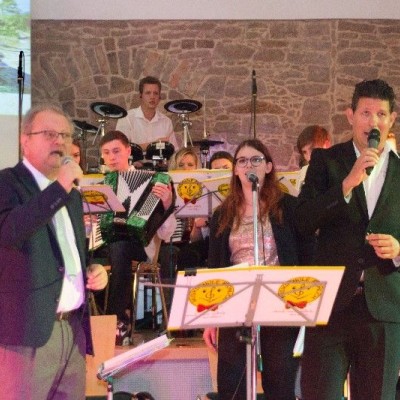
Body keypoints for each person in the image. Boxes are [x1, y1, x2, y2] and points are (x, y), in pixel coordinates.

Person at [296, 79, 400, 400]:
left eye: (381, 114)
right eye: (366, 113)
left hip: (383, 308)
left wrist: (399, 249)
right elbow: (303, 221)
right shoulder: (326, 162)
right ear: (350, 116)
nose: (373, 122)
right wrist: (346, 184)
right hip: (331, 305)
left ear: (392, 119)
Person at [0, 104, 108, 399]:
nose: (59, 141)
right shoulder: (7, 183)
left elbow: (68, 254)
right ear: (25, 140)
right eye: (49, 134)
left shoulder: (70, 196)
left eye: (65, 135)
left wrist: (92, 271)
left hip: (72, 330)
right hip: (27, 334)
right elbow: (9, 233)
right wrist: (59, 188)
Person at [203, 139, 314, 400]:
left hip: (280, 302)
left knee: (280, 381)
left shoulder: (289, 207)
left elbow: (307, 253)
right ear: (235, 170)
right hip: (236, 302)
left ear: (268, 167)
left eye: (256, 160)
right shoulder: (222, 214)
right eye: (242, 161)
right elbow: (215, 266)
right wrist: (210, 317)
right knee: (233, 382)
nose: (248, 166)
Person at [99, 130, 176, 344]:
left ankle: (116, 320)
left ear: (128, 151)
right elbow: (95, 227)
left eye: (116, 151)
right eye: (106, 152)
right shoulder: (102, 186)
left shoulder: (154, 182)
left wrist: (167, 204)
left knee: (120, 248)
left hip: (142, 247)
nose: (112, 157)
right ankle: (89, 323)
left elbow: (167, 233)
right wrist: (90, 220)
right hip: (107, 246)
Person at [116, 76, 179, 161]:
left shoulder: (166, 122)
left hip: (160, 168)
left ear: (159, 97)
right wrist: (154, 144)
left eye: (155, 93)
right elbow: (119, 149)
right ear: (140, 95)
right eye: (148, 93)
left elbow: (174, 153)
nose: (152, 97)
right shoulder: (127, 119)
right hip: (133, 167)